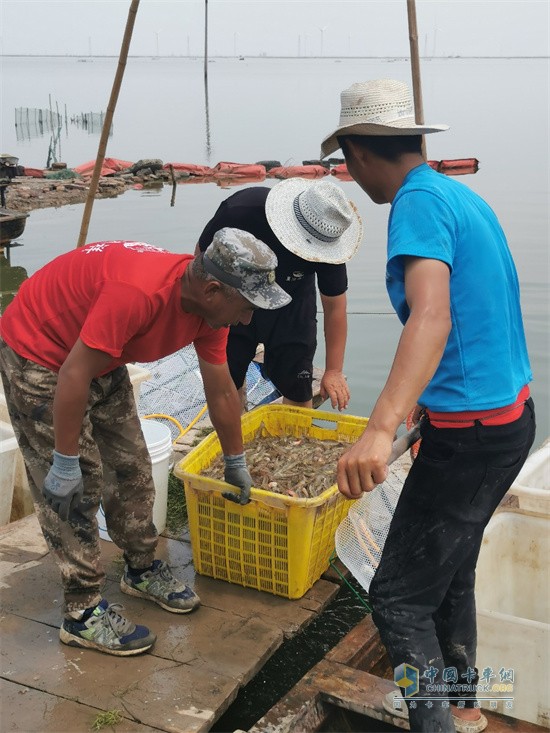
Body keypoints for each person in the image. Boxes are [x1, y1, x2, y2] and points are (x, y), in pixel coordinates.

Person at [322, 79, 535, 732]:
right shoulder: (457, 195)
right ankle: (464, 708)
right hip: (509, 420)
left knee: (395, 600)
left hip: (471, 438)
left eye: (347, 162)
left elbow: (434, 317)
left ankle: (438, 722)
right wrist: (421, 408)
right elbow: (478, 318)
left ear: (358, 154)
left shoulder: (413, 205)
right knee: (454, 568)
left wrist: (380, 425)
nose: (350, 174)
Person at [0, 228, 290, 657]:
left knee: (132, 464)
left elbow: (222, 389)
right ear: (212, 289)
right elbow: (72, 375)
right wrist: (63, 461)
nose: (248, 319)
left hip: (98, 352)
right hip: (40, 354)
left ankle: (140, 569)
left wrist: (235, 458)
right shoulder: (138, 293)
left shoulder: (209, 313)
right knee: (76, 486)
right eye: (246, 307)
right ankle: (81, 612)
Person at [196, 178, 363, 411]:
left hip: (292, 304)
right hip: (235, 296)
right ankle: (232, 432)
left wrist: (334, 370)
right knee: (227, 376)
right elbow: (201, 260)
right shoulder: (241, 211)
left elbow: (335, 307)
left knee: (297, 383)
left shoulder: (327, 237)